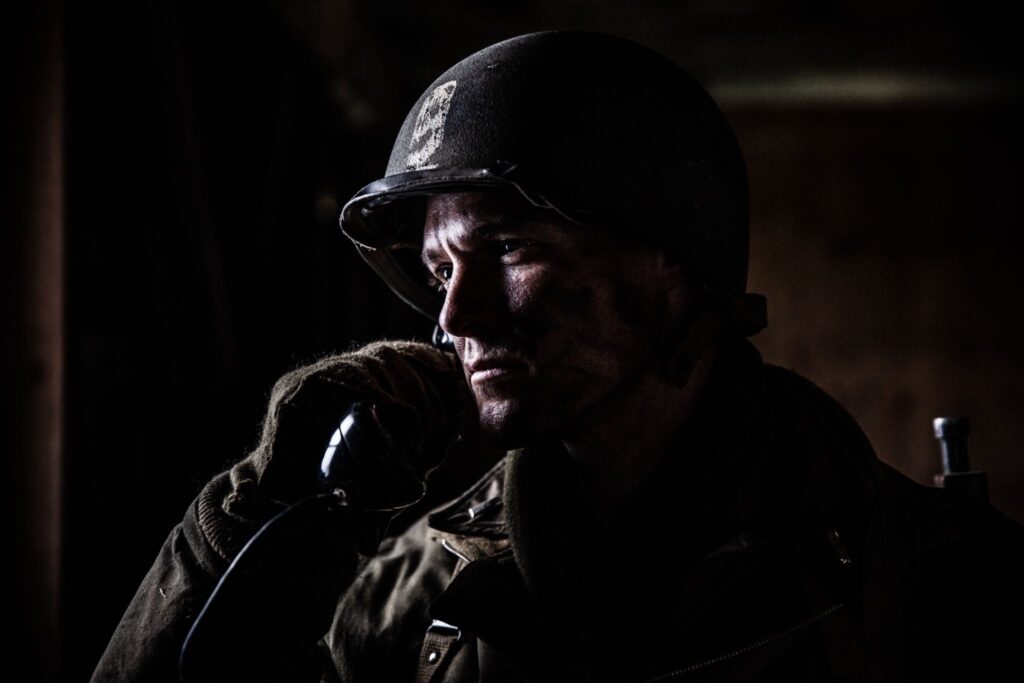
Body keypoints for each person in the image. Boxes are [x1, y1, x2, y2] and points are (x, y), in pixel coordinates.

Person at [93, 31, 1024, 682]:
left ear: (672, 265)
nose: (454, 312)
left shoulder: (934, 581)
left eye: (506, 249)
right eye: (438, 268)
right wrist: (247, 512)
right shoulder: (415, 595)